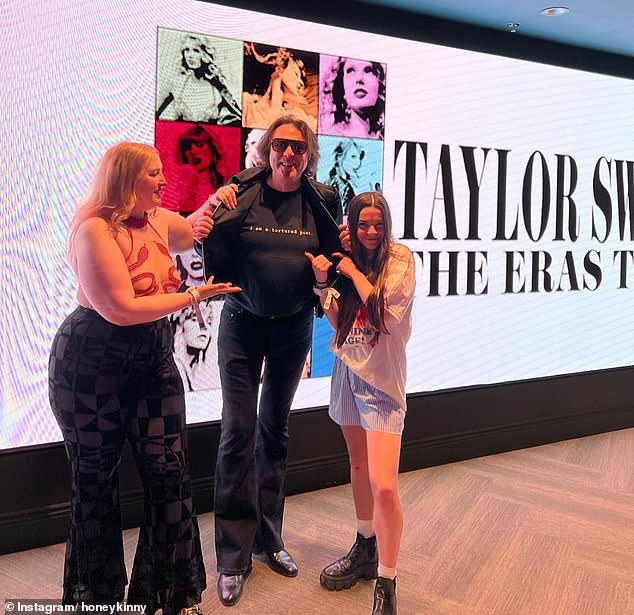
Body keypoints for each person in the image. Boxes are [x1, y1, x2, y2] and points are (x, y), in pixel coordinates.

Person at [48, 142, 241, 614]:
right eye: (153, 174)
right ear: (125, 179)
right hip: (91, 362)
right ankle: (98, 603)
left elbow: (190, 227)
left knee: (171, 474)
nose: (162, 181)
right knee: (95, 484)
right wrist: (194, 296)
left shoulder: (155, 217)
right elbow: (121, 309)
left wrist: (214, 202)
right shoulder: (94, 230)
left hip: (151, 359)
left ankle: (168, 598)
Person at [196, 115, 342, 607]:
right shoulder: (242, 191)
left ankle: (269, 539)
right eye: (281, 146)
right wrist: (210, 214)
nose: (289, 155)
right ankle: (232, 558)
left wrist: (329, 274)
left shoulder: (321, 201)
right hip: (241, 325)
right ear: (266, 151)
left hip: (294, 328)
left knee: (275, 430)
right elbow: (209, 242)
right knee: (238, 431)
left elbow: (335, 257)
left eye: (299, 149)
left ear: (309, 155)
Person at [306, 192, 415, 615]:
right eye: (363, 224)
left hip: (383, 381)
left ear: (388, 224)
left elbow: (386, 316)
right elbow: (342, 323)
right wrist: (323, 283)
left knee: (384, 483)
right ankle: (365, 546)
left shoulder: (400, 259)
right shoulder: (347, 258)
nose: (371, 232)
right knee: (357, 467)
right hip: (347, 373)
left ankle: (387, 580)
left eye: (378, 224)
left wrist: (350, 270)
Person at [156, 33, 241, 125]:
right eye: (187, 50)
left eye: (196, 50)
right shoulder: (176, 83)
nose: (190, 55)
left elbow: (236, 117)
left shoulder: (216, 87)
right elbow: (155, 113)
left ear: (205, 54)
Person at [163, 124, 228, 214]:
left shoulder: (227, 182)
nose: (193, 151)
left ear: (211, 148)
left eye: (199, 145)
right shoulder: (180, 189)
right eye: (187, 147)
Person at [320, 57, 386, 139]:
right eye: (350, 71)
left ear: (379, 85)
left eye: (368, 70)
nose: (359, 79)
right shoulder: (330, 136)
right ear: (342, 88)